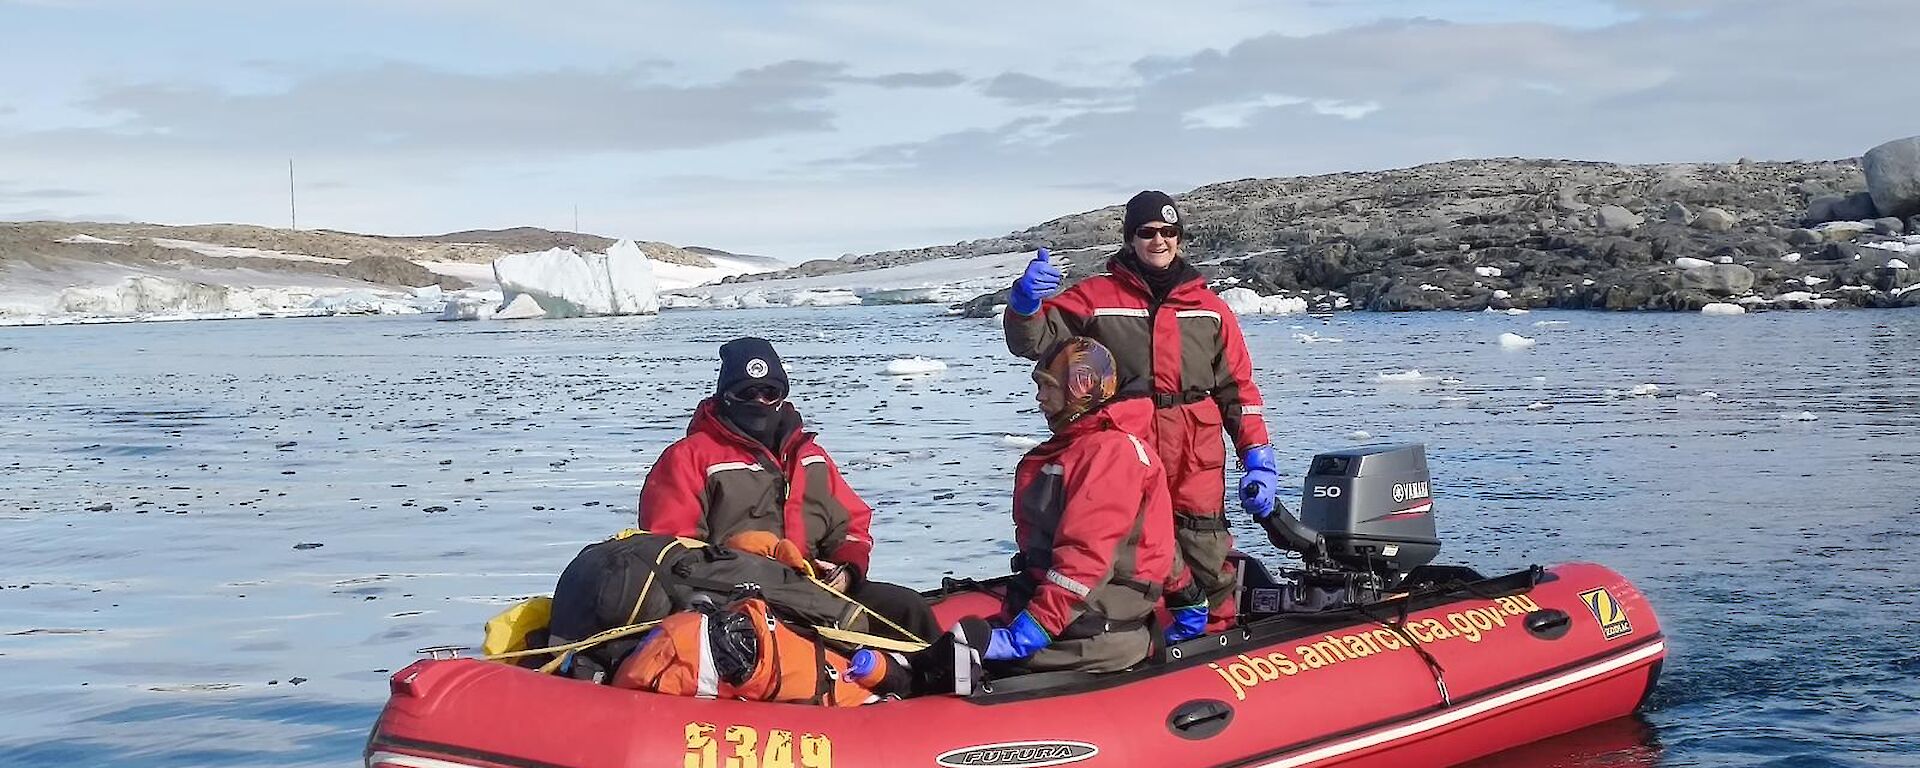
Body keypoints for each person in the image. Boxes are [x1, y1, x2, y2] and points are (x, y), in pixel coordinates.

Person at [1002, 190, 1278, 633]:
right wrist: (1024, 304)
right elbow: (1033, 341)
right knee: (1131, 547)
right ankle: (1132, 641)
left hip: (1195, 452)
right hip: (1127, 450)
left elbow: (1237, 389)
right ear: (1130, 239)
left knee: (1205, 550)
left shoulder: (1209, 309)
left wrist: (1258, 456)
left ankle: (1217, 642)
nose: (1159, 241)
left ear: (1180, 238)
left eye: (1169, 232)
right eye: (1148, 233)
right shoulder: (1096, 297)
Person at [639, 337, 940, 643]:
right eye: (747, 392)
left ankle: (953, 681)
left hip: (815, 587)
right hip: (739, 599)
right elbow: (674, 554)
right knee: (834, 629)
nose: (759, 402)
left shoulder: (809, 457)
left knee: (908, 609)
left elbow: (852, 523)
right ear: (725, 396)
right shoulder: (688, 458)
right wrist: (747, 557)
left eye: (770, 392)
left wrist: (846, 569)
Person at [979, 337, 1208, 673]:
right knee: (952, 635)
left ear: (1080, 388)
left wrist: (1032, 631)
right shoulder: (1087, 448)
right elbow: (1149, 540)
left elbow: (1085, 557)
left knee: (961, 655)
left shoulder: (1109, 456)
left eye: (1048, 387)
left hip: (1090, 635)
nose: (1039, 397)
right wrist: (1186, 596)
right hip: (1075, 618)